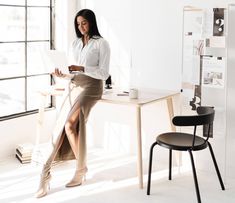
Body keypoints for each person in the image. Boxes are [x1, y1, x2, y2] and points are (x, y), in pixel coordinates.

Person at [35, 9, 110, 198]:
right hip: (74, 85)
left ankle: (80, 169)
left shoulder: (102, 44)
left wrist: (82, 67)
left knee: (70, 125)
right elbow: (73, 72)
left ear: (91, 22)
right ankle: (45, 175)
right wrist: (63, 74)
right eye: (78, 24)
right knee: (59, 128)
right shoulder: (76, 43)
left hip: (92, 88)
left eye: (84, 23)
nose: (81, 27)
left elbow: (103, 74)